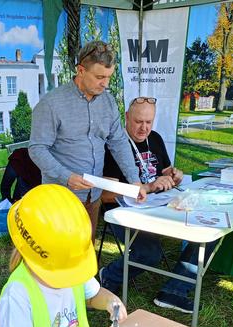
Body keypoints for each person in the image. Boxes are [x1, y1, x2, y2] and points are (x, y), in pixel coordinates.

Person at [0, 184, 127, 327]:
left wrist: (111, 302)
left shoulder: (68, 262)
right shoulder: (17, 294)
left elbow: (93, 295)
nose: (68, 278)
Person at [98, 97, 215, 314]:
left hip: (159, 205)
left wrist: (174, 176)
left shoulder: (156, 139)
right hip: (123, 211)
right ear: (126, 118)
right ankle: (108, 275)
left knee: (207, 227)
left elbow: (165, 172)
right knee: (150, 254)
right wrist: (149, 186)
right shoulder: (114, 145)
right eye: (138, 122)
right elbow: (105, 195)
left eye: (149, 122)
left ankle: (175, 290)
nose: (144, 128)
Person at [29, 40, 149, 240]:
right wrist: (66, 176)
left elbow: (118, 142)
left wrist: (134, 181)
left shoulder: (108, 102)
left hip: (93, 196)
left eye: (109, 77)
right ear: (81, 70)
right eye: (99, 77)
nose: (105, 83)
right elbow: (37, 149)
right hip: (61, 196)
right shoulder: (51, 104)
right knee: (59, 254)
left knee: (85, 251)